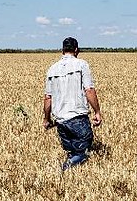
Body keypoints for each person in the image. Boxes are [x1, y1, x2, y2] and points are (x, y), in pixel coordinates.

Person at [43, 37, 102, 170]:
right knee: (83, 152)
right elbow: (89, 90)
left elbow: (48, 97)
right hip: (77, 117)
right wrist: (97, 112)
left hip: (60, 121)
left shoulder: (52, 69)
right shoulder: (81, 65)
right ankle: (63, 170)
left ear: (62, 50)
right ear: (76, 50)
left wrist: (46, 119)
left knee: (72, 152)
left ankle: (68, 181)